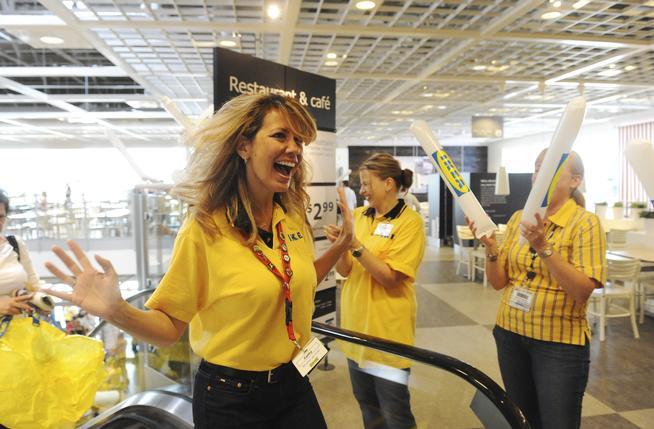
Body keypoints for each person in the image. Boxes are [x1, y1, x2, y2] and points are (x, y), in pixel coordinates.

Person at [43, 93, 354, 428]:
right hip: (232, 398)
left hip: (294, 383)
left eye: (299, 140)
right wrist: (117, 311)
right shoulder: (205, 229)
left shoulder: (291, 218)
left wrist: (341, 246)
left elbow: (295, 280)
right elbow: (168, 328)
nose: (294, 148)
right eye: (280, 135)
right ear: (243, 146)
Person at [467, 150, 606, 429]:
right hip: (510, 334)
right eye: (537, 168)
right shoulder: (520, 218)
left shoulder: (585, 223)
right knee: (522, 419)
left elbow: (581, 292)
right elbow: (498, 282)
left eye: (551, 169)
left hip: (558, 343)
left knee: (557, 421)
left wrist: (543, 247)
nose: (539, 175)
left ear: (575, 181)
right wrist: (492, 249)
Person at [325, 153, 425, 429]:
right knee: (368, 408)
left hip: (387, 335)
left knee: (395, 414)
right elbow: (346, 270)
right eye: (361, 184)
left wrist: (355, 245)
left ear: (388, 183)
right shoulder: (359, 215)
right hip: (355, 331)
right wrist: (340, 245)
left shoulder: (410, 222)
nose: (362, 190)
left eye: (367, 184)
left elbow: (391, 278)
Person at [0, 189, 38, 316]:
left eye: (0, 217)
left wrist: (41, 301)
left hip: (19, 324)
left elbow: (33, 284)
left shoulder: (15, 244)